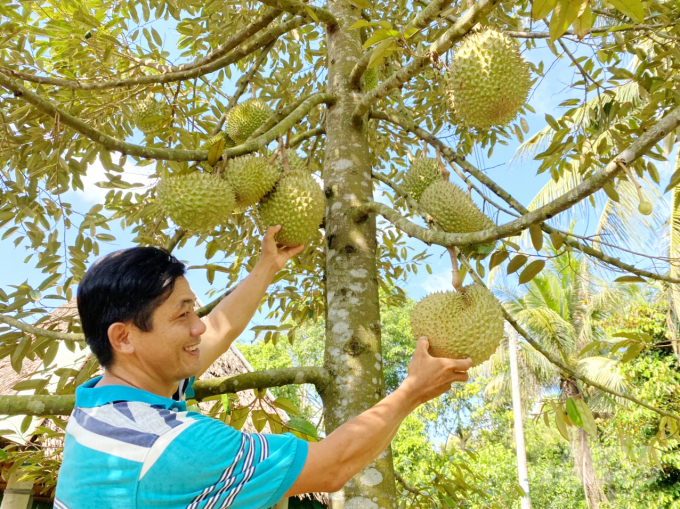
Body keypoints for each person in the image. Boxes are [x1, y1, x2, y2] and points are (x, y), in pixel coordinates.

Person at [54, 225, 472, 508]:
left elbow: (218, 329)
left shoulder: (106, 401)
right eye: (182, 316)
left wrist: (268, 266)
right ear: (123, 337)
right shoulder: (173, 446)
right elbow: (331, 467)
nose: (198, 325)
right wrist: (412, 391)